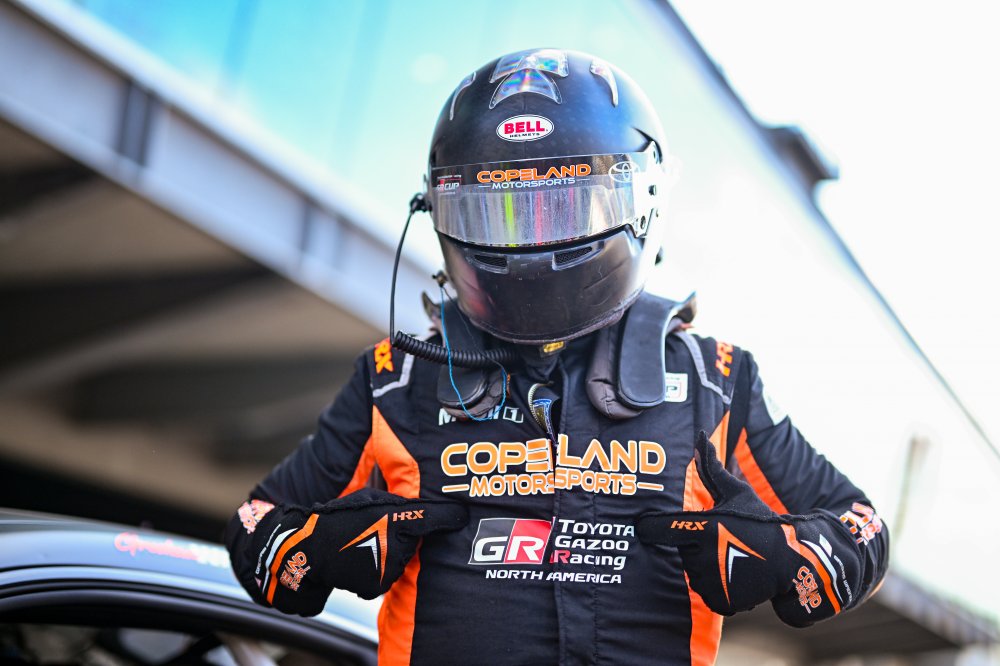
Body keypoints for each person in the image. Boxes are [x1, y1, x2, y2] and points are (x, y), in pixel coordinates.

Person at [224, 49, 888, 666]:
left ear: (641, 202)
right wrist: (315, 549)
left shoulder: (713, 381)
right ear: (440, 212)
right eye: (498, 213)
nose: (531, 245)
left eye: (563, 206)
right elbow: (254, 531)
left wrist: (787, 555)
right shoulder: (396, 380)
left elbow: (862, 530)